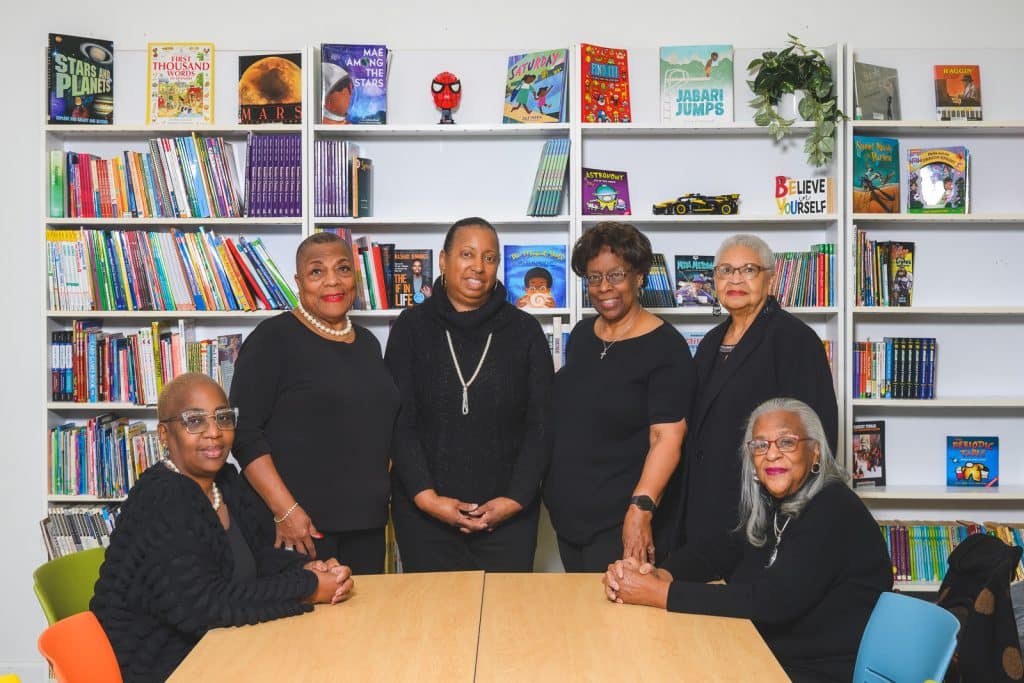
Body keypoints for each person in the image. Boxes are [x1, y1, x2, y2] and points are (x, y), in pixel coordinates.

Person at [603, 398, 892, 683]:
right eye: (760, 445)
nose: (772, 454)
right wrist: (658, 574)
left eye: (786, 442)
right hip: (765, 656)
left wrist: (658, 593)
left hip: (815, 672)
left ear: (815, 452)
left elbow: (771, 602)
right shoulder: (773, 504)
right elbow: (716, 552)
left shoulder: (833, 508)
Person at [91, 373, 354, 682]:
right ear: (164, 434)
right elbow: (204, 607)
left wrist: (309, 568)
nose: (214, 432)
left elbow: (256, 559)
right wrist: (308, 588)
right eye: (194, 421)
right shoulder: (164, 497)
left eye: (223, 418)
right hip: (161, 666)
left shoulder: (226, 482)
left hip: (220, 648)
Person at [384, 217, 553, 571]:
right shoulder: (410, 327)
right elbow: (399, 423)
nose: (478, 266)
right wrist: (428, 500)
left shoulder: (525, 331)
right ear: (443, 260)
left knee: (506, 607)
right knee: (431, 608)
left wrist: (514, 500)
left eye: (489, 258)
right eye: (467, 254)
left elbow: (541, 425)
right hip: (425, 518)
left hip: (508, 518)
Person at [229, 232, 400, 573]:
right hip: (300, 529)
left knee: (369, 608)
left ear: (355, 277)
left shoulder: (367, 343)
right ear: (299, 282)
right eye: (317, 271)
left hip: (366, 524)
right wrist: (286, 511)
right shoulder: (272, 339)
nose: (332, 281)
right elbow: (244, 433)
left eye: (343, 269)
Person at [667, 233, 838, 551]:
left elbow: (818, 435)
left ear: (770, 279)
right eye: (725, 270)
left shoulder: (795, 340)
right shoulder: (710, 343)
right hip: (705, 508)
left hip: (760, 511)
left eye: (748, 270)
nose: (735, 279)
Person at [545, 221, 695, 571]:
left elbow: (667, 439)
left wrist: (640, 511)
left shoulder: (666, 347)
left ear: (639, 276)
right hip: (569, 520)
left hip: (621, 522)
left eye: (616, 275)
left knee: (618, 607)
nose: (604, 288)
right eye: (594, 277)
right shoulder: (583, 335)